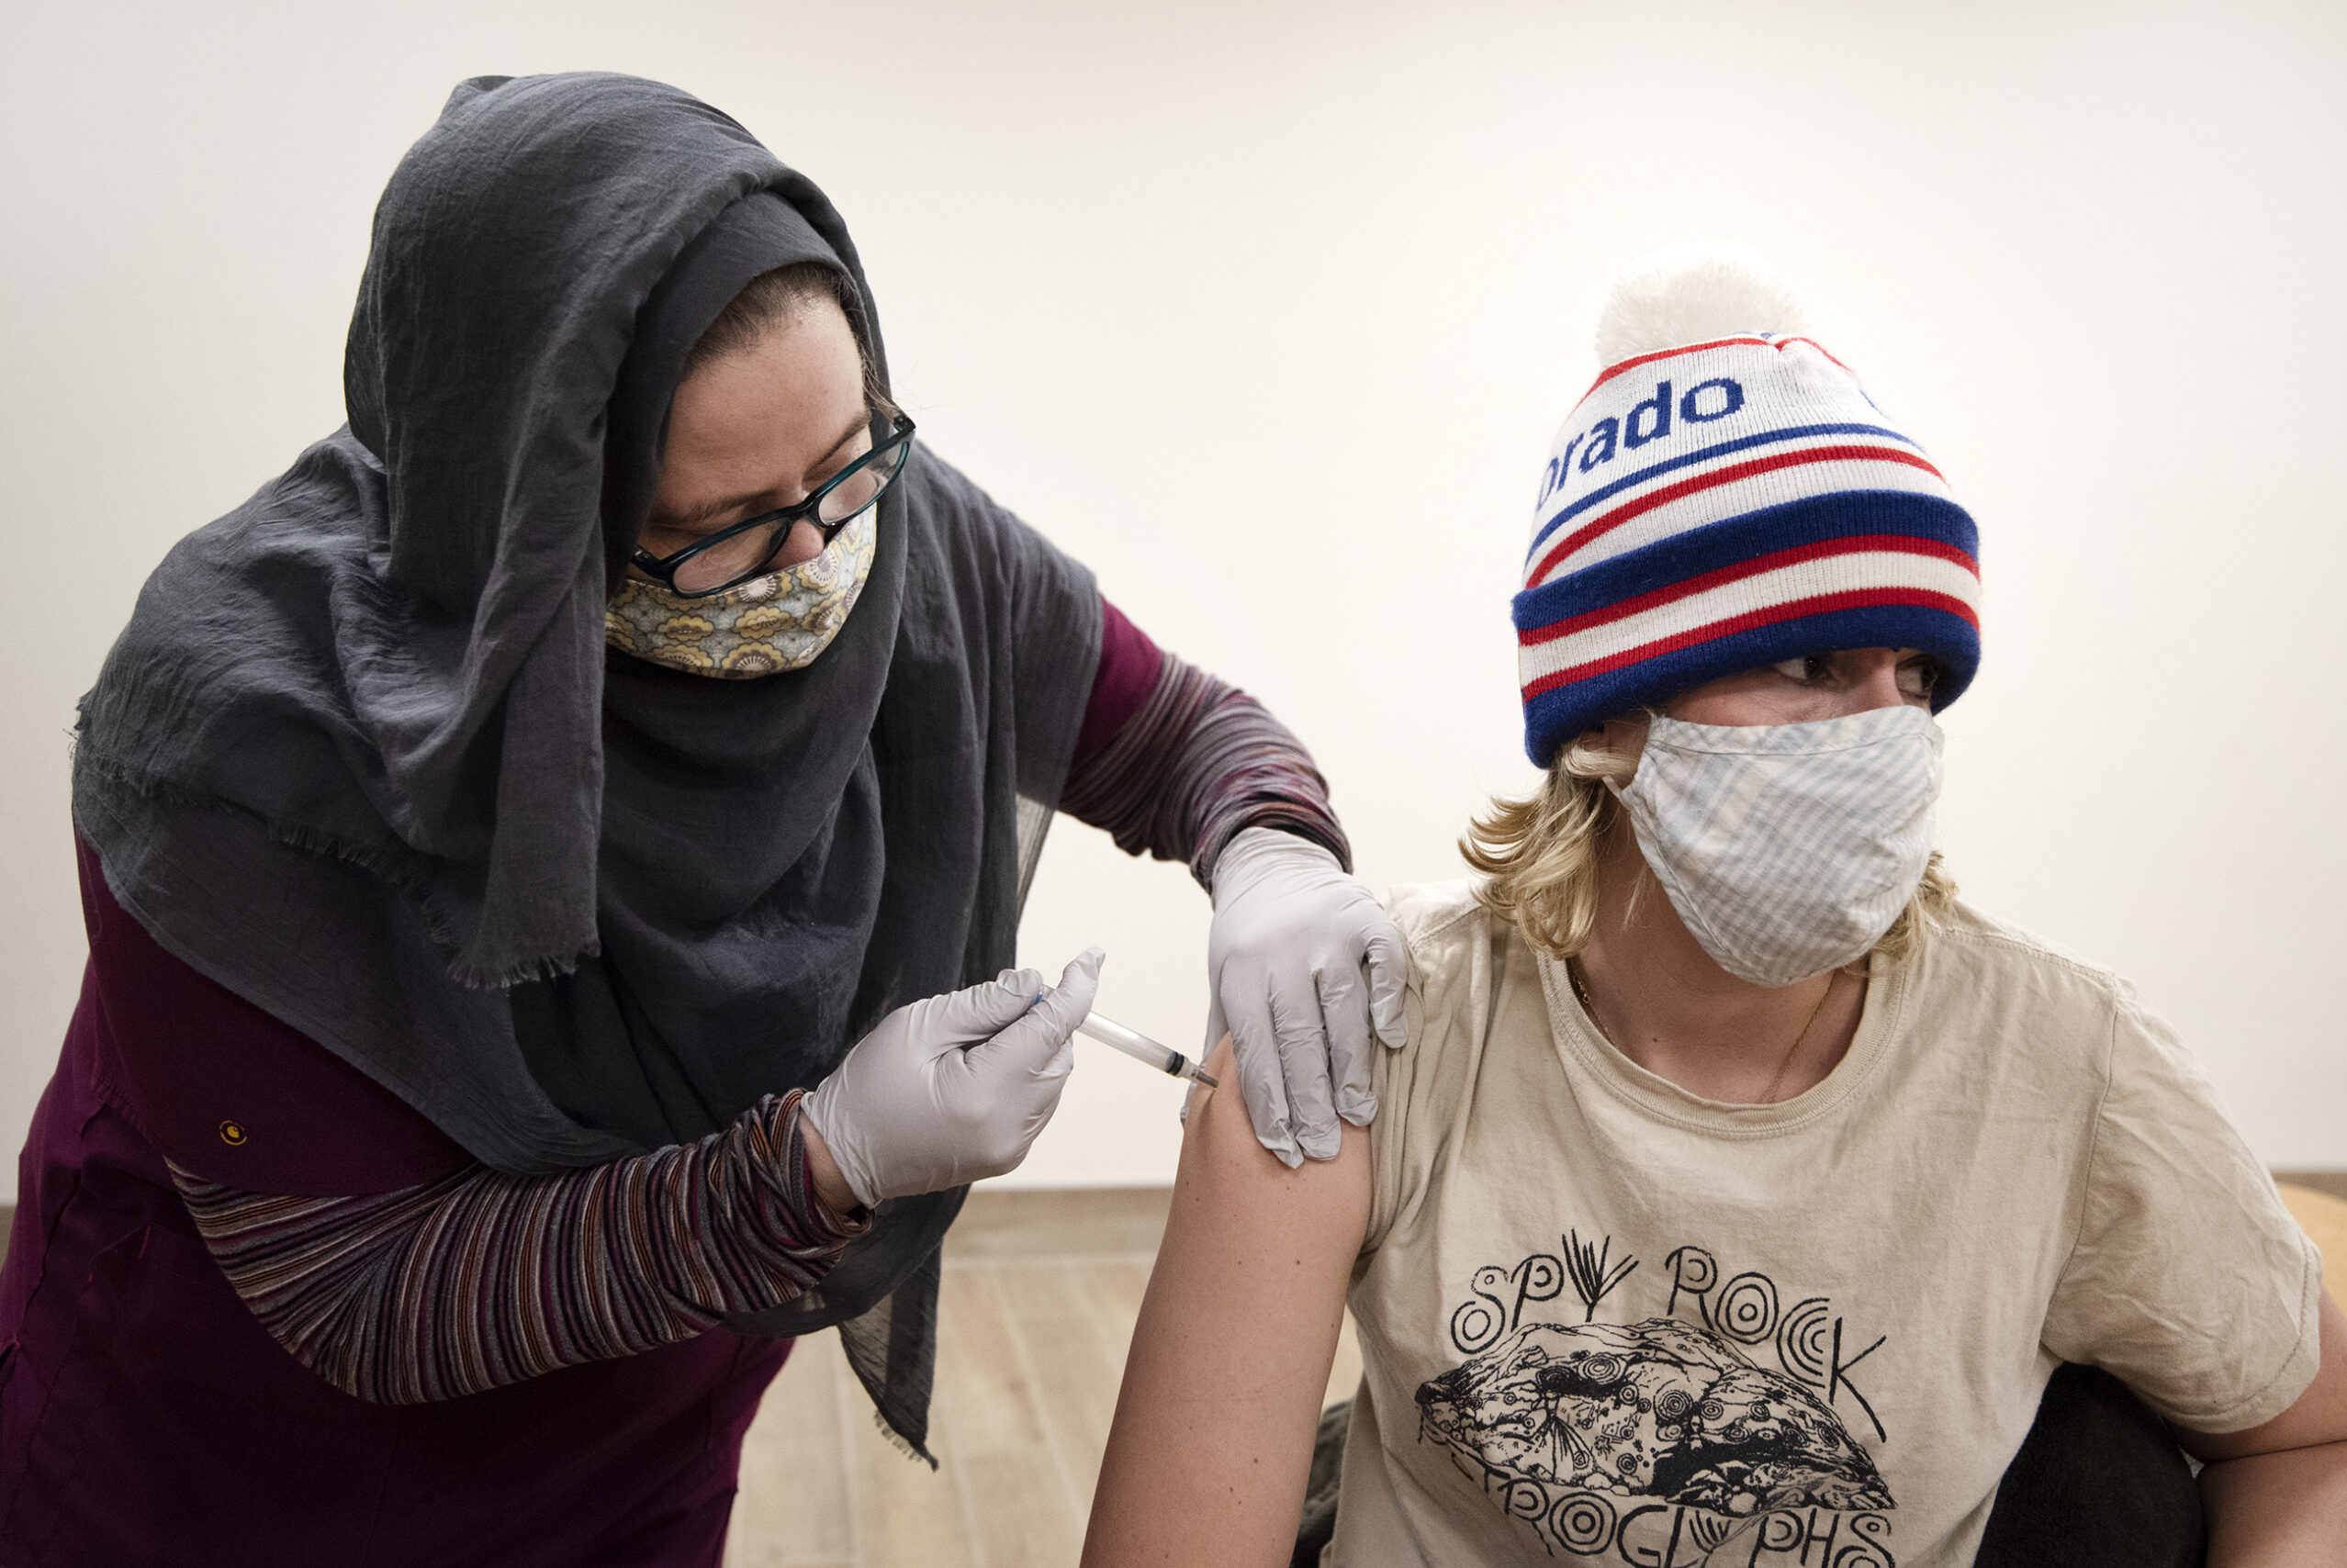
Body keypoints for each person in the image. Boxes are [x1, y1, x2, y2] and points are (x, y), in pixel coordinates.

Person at [0, 73, 1401, 1564]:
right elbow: (364, 1293)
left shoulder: (883, 529)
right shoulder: (243, 747)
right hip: (236, 1471)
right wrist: (816, 1168)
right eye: (715, 531)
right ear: (534, 522)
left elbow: (1182, 730)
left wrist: (1270, 853)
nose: (812, 560)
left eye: (847, 462)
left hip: (639, 1442)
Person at [1082, 248, 2347, 1566]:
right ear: (1608, 717)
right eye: (1813, 662)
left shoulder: (2060, 1064)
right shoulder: (1373, 1027)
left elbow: (2318, 1435)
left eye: (1918, 677)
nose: (1889, 738)